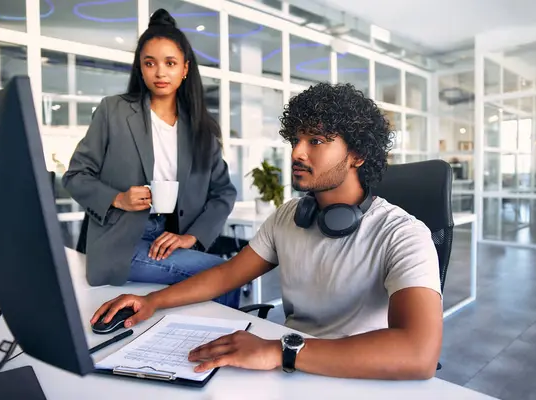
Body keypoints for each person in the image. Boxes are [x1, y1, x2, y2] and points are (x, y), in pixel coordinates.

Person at [91, 83, 443, 380]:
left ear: (358, 155)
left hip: (355, 376)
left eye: (317, 141)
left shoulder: (403, 234)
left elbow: (419, 354)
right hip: (291, 369)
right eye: (295, 140)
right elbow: (228, 274)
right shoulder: (289, 215)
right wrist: (151, 301)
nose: (297, 153)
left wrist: (281, 352)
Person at [62, 9, 240, 308]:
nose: (160, 73)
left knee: (223, 275)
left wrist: (193, 237)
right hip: (122, 240)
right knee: (223, 274)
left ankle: (214, 343)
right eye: (150, 63)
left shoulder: (201, 128)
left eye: (170, 63)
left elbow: (223, 192)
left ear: (184, 68)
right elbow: (75, 176)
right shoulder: (113, 111)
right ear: (141, 69)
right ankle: (225, 348)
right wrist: (117, 198)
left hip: (170, 238)